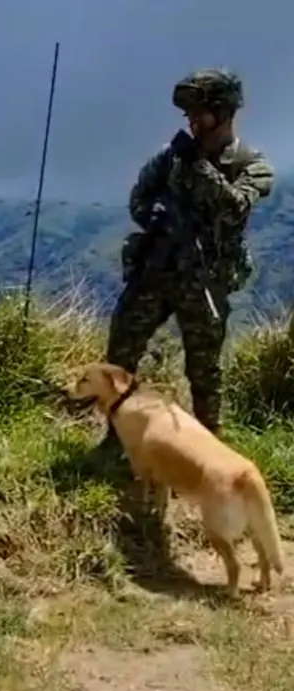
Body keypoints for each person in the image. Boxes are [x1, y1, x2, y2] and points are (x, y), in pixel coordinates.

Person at [105, 67, 274, 444]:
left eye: (201, 112)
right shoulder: (170, 158)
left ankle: (208, 446)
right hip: (156, 269)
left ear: (224, 111)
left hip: (205, 280)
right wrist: (154, 215)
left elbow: (235, 208)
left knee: (204, 370)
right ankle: (116, 437)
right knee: (121, 351)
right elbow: (139, 198)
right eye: (190, 114)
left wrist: (199, 169)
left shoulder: (250, 164)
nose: (193, 121)